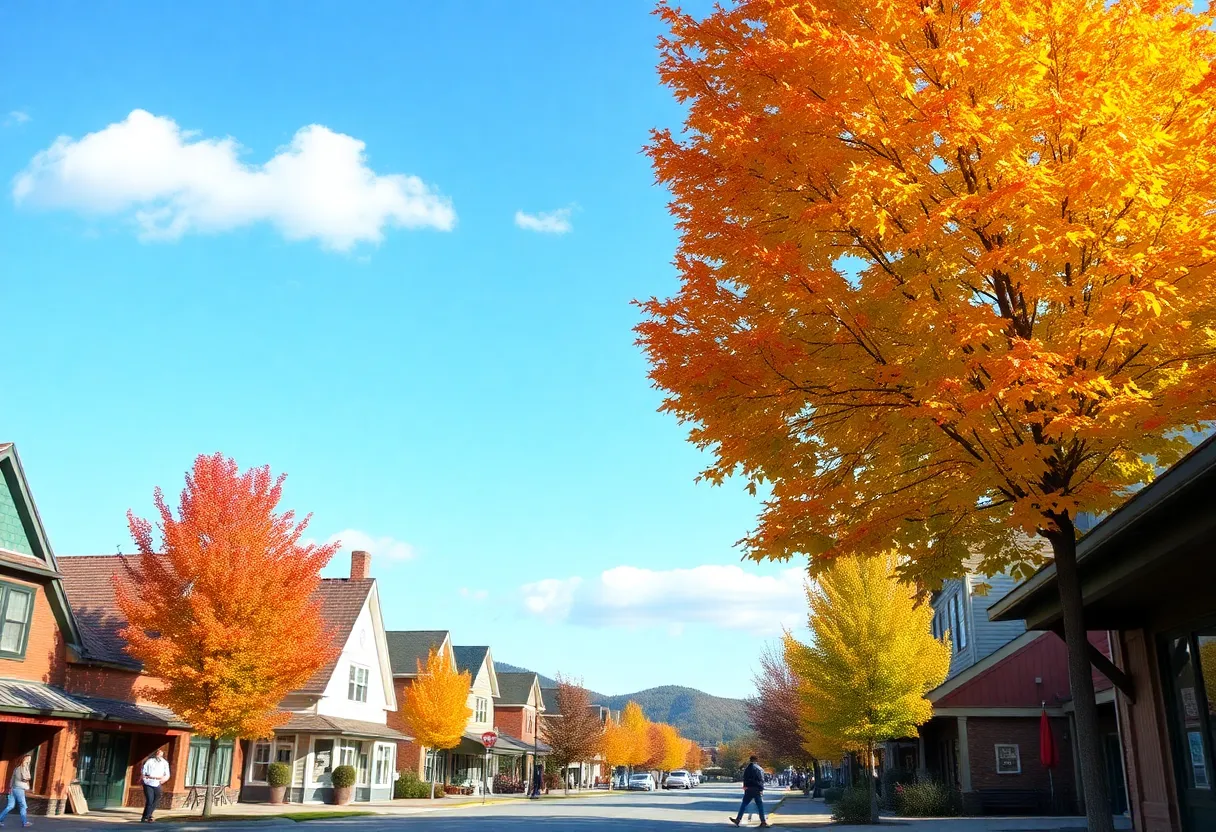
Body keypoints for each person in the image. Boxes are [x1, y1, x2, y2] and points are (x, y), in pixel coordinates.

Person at [729, 755, 769, 828]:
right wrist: (761, 789)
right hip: (756, 788)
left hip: (749, 789)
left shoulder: (747, 768)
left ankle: (738, 819)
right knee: (760, 806)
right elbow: (761, 780)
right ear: (756, 760)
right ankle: (763, 821)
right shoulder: (759, 769)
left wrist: (745, 786)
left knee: (744, 804)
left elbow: (745, 778)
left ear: (750, 760)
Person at [0, 754, 32, 828]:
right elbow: (22, 778)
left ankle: (0, 819)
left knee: (10, 806)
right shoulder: (20, 768)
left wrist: (10, 788)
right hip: (18, 789)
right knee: (23, 806)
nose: (28, 761)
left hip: (14, 789)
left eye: (29, 760)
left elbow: (13, 779)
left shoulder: (22, 768)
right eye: (27, 759)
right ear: (23, 760)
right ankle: (25, 822)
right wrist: (28, 778)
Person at [141, 748, 171, 823]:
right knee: (149, 800)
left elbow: (167, 773)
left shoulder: (164, 763)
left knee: (157, 798)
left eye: (160, 752)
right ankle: (147, 816)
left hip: (157, 782)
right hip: (148, 782)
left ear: (163, 754)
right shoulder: (149, 761)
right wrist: (145, 779)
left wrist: (164, 779)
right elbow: (143, 771)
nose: (159, 753)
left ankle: (148, 815)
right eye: (157, 752)